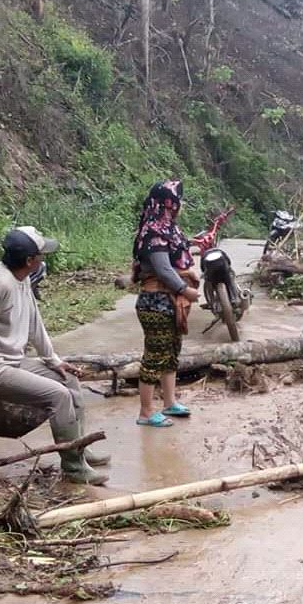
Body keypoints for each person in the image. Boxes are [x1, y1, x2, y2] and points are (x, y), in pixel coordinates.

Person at [0, 226, 109, 485]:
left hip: (12, 361)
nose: (43, 259)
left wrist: (53, 359)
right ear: (30, 260)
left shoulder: (23, 280)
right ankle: (73, 468)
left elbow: (34, 322)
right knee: (59, 395)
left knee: (69, 381)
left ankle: (79, 448)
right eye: (40, 255)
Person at [132, 180, 201, 428]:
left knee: (171, 352)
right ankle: (146, 411)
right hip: (156, 301)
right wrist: (185, 289)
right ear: (168, 203)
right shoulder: (154, 231)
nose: (179, 205)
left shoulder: (169, 228)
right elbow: (162, 269)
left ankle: (169, 402)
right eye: (177, 200)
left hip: (170, 301)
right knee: (155, 355)